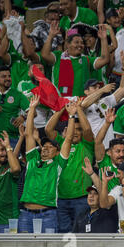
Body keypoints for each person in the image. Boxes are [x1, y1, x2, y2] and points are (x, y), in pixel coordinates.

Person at [18, 95, 74, 233]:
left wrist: (72, 116)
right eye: (44, 146)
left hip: (48, 214)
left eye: (50, 147)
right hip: (25, 214)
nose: (45, 148)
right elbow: (29, 134)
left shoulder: (58, 165)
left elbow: (68, 139)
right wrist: (32, 109)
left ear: (57, 152)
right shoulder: (32, 159)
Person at [44, 99, 95, 233]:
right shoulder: (61, 144)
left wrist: (78, 109)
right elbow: (48, 129)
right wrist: (62, 109)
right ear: (65, 130)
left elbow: (88, 129)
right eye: (73, 129)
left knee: (82, 234)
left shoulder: (86, 145)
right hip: (61, 199)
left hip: (82, 198)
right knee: (63, 236)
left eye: (79, 130)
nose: (76, 132)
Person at [40, 22, 110, 97]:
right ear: (67, 44)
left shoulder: (87, 59)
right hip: (61, 102)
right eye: (76, 42)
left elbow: (104, 60)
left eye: (82, 43)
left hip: (82, 104)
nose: (80, 45)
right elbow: (44, 54)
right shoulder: (58, 57)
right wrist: (51, 36)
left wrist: (103, 39)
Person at [0, 65, 29, 147]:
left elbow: (33, 112)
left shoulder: (17, 94)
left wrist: (23, 117)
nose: (8, 78)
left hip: (12, 139)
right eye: (4, 76)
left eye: (9, 76)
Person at [0, 130, 21, 233]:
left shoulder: (8, 167)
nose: (4, 153)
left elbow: (16, 169)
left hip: (7, 222)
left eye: (5, 150)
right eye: (1, 150)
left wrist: (8, 146)